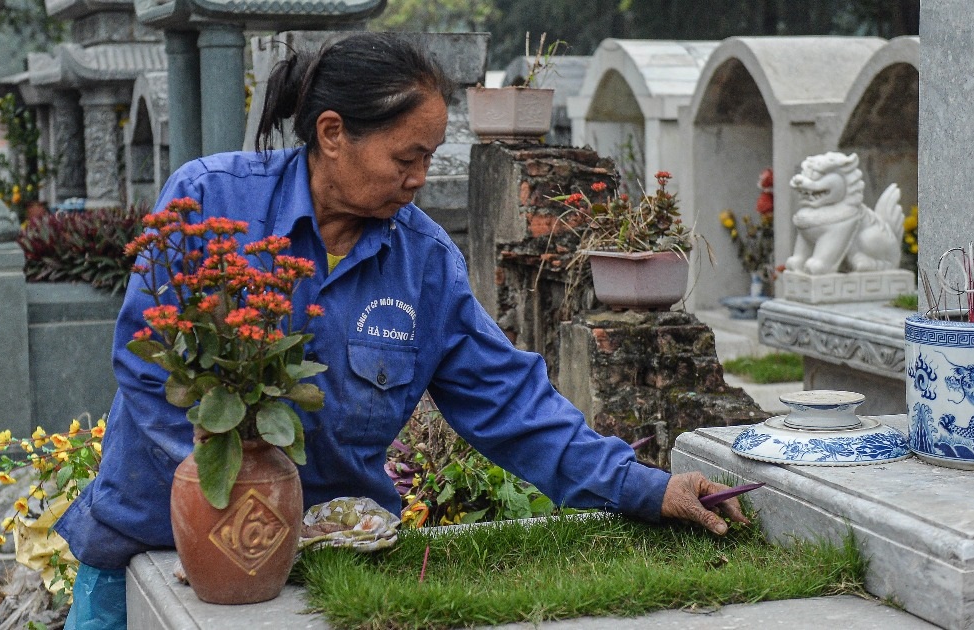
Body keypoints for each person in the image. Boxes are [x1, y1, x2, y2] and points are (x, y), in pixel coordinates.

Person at [55, 32, 748, 628]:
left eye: (431, 157)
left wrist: (643, 487)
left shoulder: (421, 264)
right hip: (155, 546)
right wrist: (228, 514)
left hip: (325, 568)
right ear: (332, 134)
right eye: (406, 158)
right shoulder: (211, 202)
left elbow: (510, 403)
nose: (421, 179)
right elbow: (149, 375)